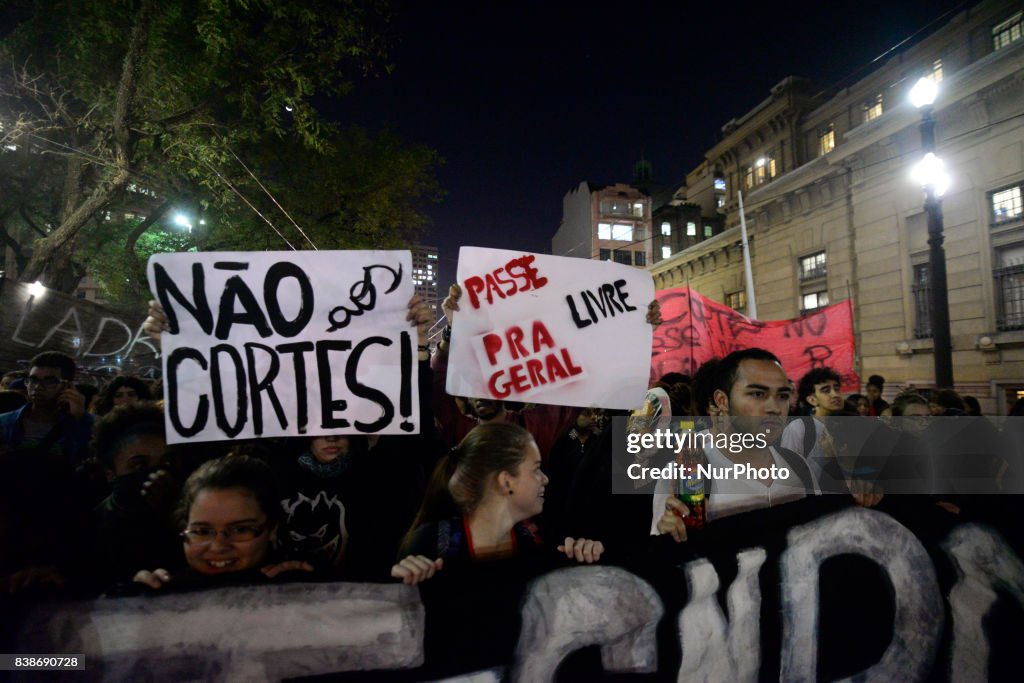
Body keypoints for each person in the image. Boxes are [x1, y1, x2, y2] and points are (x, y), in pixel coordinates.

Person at [391, 422, 603, 676]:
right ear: (506, 481)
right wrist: (406, 583)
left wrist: (585, 556)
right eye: (536, 469)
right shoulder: (431, 543)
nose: (545, 478)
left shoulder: (542, 540)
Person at [652, 348, 822, 542]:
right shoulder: (684, 475)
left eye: (782, 396)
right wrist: (672, 537)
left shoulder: (798, 466)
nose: (774, 408)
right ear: (721, 401)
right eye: (758, 394)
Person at [132, 455, 312, 590]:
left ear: (273, 529)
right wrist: (136, 603)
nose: (218, 547)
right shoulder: (164, 591)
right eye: (202, 532)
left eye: (240, 530)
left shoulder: (302, 588)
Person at [0, 351, 92, 464]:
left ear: (67, 386)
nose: (37, 387)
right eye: (33, 380)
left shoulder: (84, 424)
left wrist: (81, 419)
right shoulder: (4, 423)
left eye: (49, 382)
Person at [782, 367, 843, 483]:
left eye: (837, 389)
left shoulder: (841, 427)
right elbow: (788, 476)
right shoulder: (798, 428)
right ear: (812, 400)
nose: (835, 394)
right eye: (826, 390)